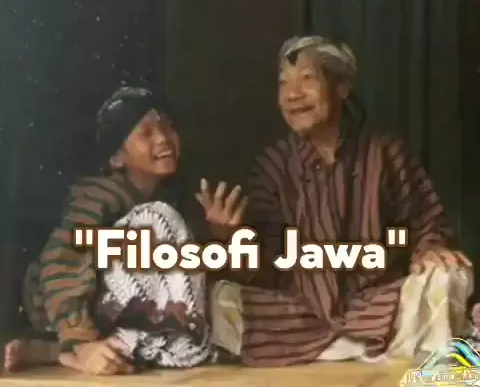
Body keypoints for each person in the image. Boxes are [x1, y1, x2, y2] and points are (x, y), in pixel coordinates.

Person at [205, 35, 474, 367]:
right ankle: (359, 348)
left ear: (342, 87)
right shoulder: (272, 166)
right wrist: (231, 237)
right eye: (283, 83)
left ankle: (370, 349)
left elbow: (426, 221)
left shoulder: (385, 153)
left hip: (380, 306)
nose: (292, 94)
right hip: (296, 317)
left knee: (451, 275)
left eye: (306, 78)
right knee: (220, 297)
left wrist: (429, 248)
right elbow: (266, 264)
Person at [3, 86, 220, 375]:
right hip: (63, 310)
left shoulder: (174, 196)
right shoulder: (97, 197)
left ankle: (50, 351)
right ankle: (68, 348)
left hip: (107, 309)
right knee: (156, 219)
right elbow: (62, 260)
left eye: (167, 126)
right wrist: (82, 342)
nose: (163, 138)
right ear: (117, 158)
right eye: (146, 133)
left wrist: (223, 234)